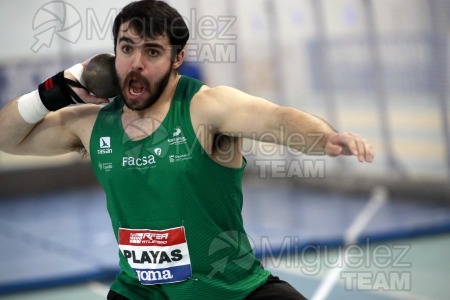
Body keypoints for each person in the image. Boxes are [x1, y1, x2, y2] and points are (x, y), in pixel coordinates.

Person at [0, 0, 373, 299]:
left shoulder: (207, 109)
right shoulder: (90, 124)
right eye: (126, 49)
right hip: (140, 293)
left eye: (153, 52)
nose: (136, 64)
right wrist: (52, 92)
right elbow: (7, 138)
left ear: (177, 58)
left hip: (231, 290)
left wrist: (325, 138)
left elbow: (277, 120)